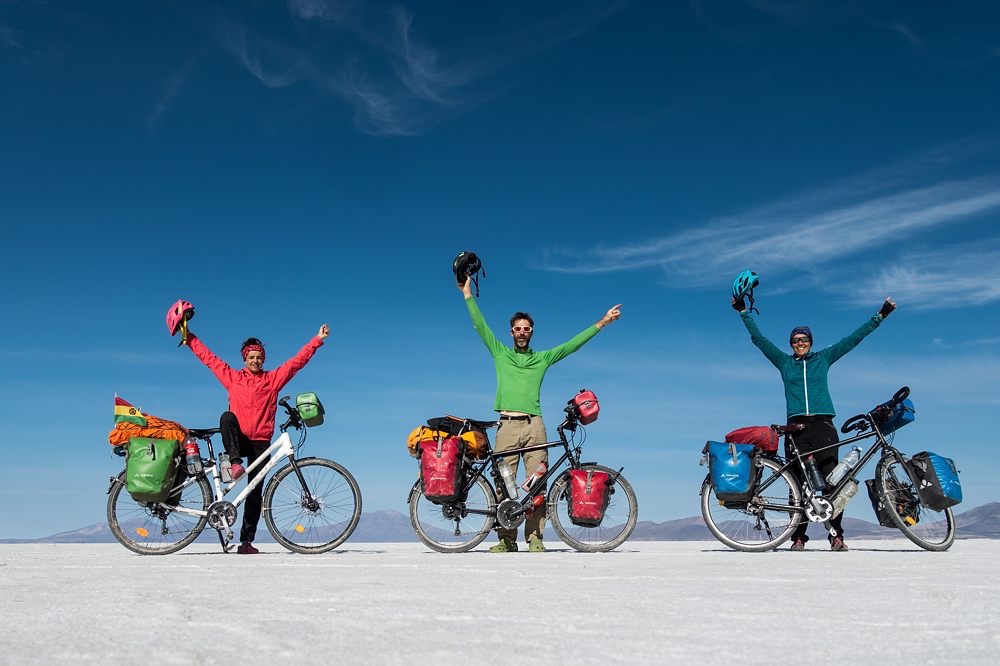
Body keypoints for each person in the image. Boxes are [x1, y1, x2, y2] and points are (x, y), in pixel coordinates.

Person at [460, 276, 621, 553]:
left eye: (526, 328)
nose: (522, 332)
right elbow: (480, 326)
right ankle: (506, 540)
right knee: (504, 483)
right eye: (517, 328)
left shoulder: (541, 359)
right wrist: (466, 294)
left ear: (531, 332)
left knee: (538, 482)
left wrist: (602, 323)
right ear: (511, 333)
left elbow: (571, 345)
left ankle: (535, 537)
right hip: (507, 425)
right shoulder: (500, 354)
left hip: (534, 425)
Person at [733, 293, 896, 551]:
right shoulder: (785, 363)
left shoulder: (823, 359)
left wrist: (881, 315)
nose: (800, 343)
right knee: (796, 483)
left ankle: (836, 535)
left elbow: (853, 339)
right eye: (795, 340)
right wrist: (744, 314)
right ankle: (798, 537)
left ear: (810, 342)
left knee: (833, 480)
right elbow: (759, 340)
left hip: (824, 426)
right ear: (791, 344)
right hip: (796, 427)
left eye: (804, 339)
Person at [183, 322, 330, 554]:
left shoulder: (272, 381)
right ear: (244, 359)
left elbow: (296, 363)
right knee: (227, 417)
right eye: (251, 357)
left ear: (263, 359)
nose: (255, 361)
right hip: (238, 440)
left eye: (259, 357)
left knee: (254, 493)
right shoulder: (233, 378)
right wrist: (189, 338)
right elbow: (209, 358)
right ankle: (235, 462)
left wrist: (317, 340)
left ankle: (246, 542)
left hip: (260, 442)